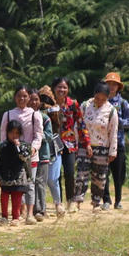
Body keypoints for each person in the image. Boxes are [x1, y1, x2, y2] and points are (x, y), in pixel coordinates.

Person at [0, 86, 43, 225]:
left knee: (30, 184)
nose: (22, 99)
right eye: (19, 96)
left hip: (30, 156)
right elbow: (3, 135)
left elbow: (38, 134)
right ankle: (17, 212)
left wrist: (33, 149)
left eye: (24, 96)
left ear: (29, 97)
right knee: (14, 185)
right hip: (10, 157)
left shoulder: (35, 114)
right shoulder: (8, 114)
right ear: (14, 97)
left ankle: (30, 213)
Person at [75, 82, 119, 211]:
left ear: (107, 98)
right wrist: (77, 145)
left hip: (102, 148)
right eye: (97, 98)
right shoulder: (85, 106)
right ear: (94, 95)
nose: (99, 101)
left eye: (103, 99)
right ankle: (77, 202)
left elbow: (113, 132)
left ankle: (96, 202)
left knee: (99, 176)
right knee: (81, 174)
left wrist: (113, 151)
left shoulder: (111, 111)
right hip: (84, 145)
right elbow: (78, 126)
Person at [51, 77, 85, 211]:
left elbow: (81, 124)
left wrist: (86, 142)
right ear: (54, 88)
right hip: (53, 143)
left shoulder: (73, 104)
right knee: (56, 175)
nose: (62, 90)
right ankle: (58, 203)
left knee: (70, 172)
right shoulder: (48, 104)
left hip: (69, 144)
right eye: (59, 87)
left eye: (64, 87)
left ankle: (70, 200)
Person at [101, 72, 129, 210]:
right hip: (102, 142)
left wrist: (116, 120)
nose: (112, 86)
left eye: (114, 84)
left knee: (118, 174)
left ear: (118, 87)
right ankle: (106, 200)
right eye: (109, 84)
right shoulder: (100, 101)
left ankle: (118, 200)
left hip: (118, 143)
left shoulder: (123, 103)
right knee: (103, 173)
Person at [0, 119, 32, 226]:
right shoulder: (2, 146)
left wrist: (18, 146)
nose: (14, 135)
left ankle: (16, 217)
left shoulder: (24, 145)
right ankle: (4, 217)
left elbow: (25, 157)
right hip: (5, 174)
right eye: (11, 132)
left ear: (20, 134)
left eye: (16, 133)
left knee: (17, 196)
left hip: (19, 175)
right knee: (4, 196)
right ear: (7, 133)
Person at [38, 86, 65, 217]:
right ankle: (40, 207)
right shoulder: (34, 111)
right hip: (39, 147)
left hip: (53, 147)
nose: (44, 101)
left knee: (52, 179)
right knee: (39, 180)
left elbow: (57, 120)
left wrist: (48, 108)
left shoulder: (56, 110)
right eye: (42, 98)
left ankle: (58, 203)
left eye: (47, 98)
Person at [27, 90, 51, 222]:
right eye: (31, 99)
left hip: (42, 155)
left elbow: (49, 136)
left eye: (36, 99)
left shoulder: (45, 118)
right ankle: (28, 209)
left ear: (40, 102)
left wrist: (38, 135)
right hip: (27, 156)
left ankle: (40, 210)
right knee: (28, 182)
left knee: (40, 182)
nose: (33, 102)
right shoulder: (24, 117)